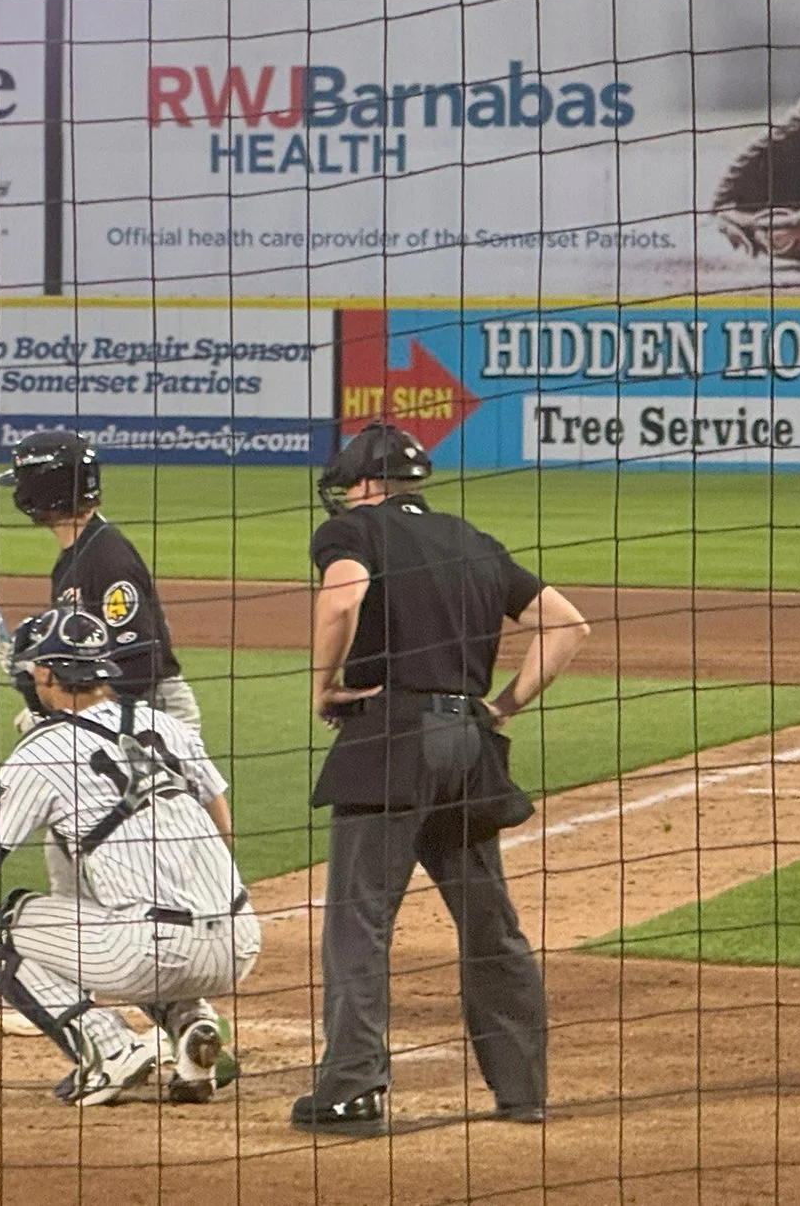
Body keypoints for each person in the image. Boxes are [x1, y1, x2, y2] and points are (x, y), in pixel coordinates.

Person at [293, 422, 589, 1135]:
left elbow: (342, 597)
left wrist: (323, 684)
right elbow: (568, 624)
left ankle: (353, 1088)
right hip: (468, 744)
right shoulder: (475, 540)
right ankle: (524, 1090)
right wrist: (502, 706)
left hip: (391, 740)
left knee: (359, 920)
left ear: (364, 485)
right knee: (490, 923)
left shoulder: (356, 530)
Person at [0, 604, 257, 1107]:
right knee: (123, 915)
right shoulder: (164, 725)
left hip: (154, 950)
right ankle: (194, 1029)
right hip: (241, 940)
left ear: (48, 674)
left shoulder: (42, 752)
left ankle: (109, 1050)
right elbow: (221, 827)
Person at [0, 429, 197, 727]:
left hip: (154, 715)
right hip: (118, 710)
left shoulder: (106, 561)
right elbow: (85, 647)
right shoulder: (79, 552)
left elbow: (140, 665)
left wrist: (63, 712)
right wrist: (35, 663)